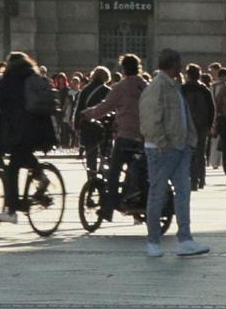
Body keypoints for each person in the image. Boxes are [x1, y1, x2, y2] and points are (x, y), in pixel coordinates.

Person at [139, 48, 210, 258]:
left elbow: (181, 115)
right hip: (163, 149)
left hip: (179, 147)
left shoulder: (173, 86)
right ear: (172, 65)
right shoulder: (158, 87)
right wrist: (163, 143)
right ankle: (153, 241)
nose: (182, 68)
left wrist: (189, 141)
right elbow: (150, 119)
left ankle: (185, 239)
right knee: (158, 193)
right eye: (179, 63)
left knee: (183, 192)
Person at [0, 52, 55, 225]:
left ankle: (12, 211)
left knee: (12, 168)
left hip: (18, 132)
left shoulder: (10, 81)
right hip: (40, 130)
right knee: (24, 155)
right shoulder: (35, 78)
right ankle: (40, 176)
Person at [77, 53, 147, 222]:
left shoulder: (121, 87)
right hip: (144, 137)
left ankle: (108, 209)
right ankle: (134, 197)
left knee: (114, 171)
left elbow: (105, 107)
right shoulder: (146, 86)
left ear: (123, 70)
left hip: (126, 136)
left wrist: (88, 114)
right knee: (136, 170)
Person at [74, 65, 112, 178]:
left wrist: (76, 126)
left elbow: (79, 109)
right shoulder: (107, 91)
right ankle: (104, 177)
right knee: (105, 154)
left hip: (87, 125)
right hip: (104, 127)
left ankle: (91, 180)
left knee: (91, 155)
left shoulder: (85, 90)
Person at [182, 64, 216, 190]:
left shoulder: (183, 89)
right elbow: (212, 109)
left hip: (187, 125)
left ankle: (192, 179)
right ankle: (201, 179)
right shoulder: (204, 89)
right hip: (202, 125)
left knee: (189, 153)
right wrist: (210, 124)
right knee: (201, 153)